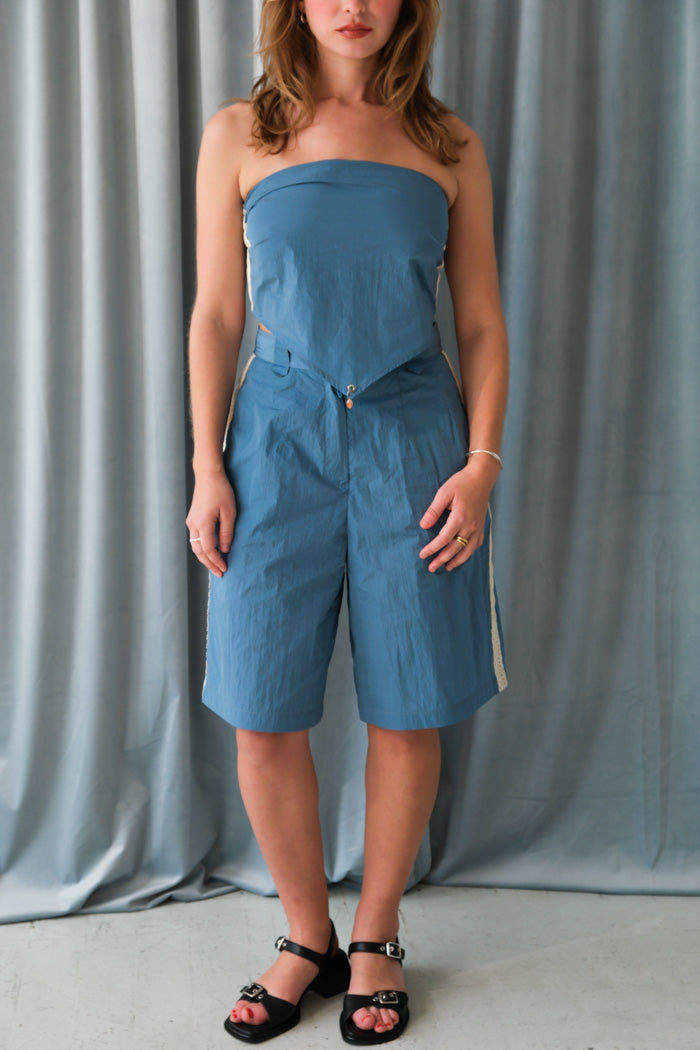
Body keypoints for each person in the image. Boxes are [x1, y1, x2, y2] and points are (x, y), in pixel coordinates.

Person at [185, 0, 508, 1043]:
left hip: (415, 440)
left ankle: (376, 937)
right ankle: (305, 935)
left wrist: (481, 466)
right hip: (274, 438)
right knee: (262, 703)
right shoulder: (241, 134)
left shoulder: (448, 145)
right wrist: (207, 465)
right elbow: (217, 314)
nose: (353, 6)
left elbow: (479, 320)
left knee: (408, 704)